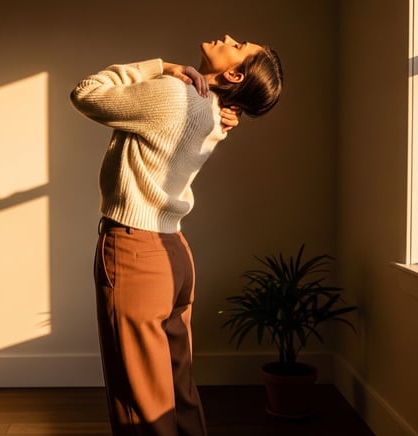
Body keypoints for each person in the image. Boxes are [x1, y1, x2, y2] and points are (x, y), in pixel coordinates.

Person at [70, 34, 283, 436]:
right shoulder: (214, 113)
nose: (230, 39)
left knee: (142, 405)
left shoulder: (173, 94)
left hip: (136, 252)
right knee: (177, 393)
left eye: (239, 47)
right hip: (173, 256)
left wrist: (160, 67)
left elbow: (85, 93)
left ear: (234, 73)